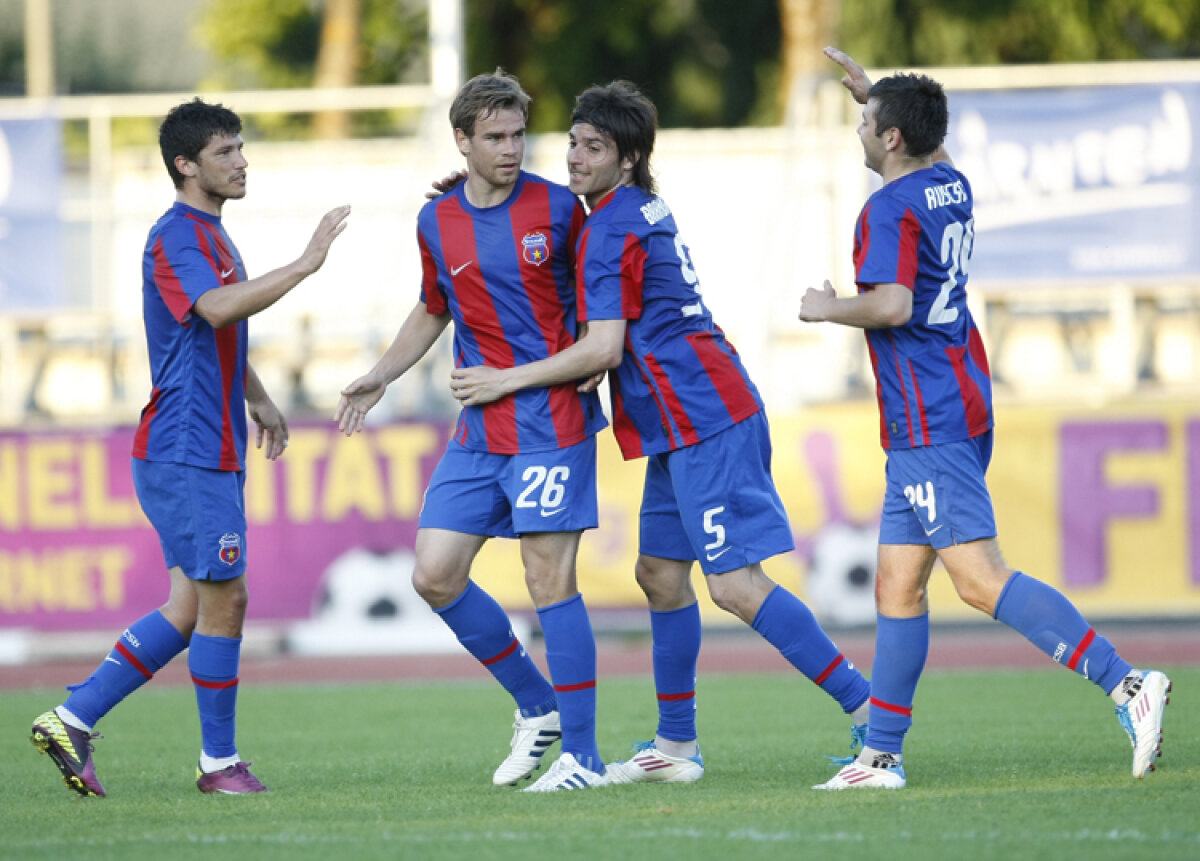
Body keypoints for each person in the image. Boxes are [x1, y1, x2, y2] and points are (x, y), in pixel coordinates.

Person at [449, 80, 871, 784]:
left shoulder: (610, 225)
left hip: (707, 415)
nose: (576, 159)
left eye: (595, 148)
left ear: (628, 156)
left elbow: (605, 346)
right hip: (677, 423)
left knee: (734, 585)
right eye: (574, 144)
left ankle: (870, 713)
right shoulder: (629, 206)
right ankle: (676, 744)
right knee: (659, 576)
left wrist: (507, 378)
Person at [798, 47, 1171, 790]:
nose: (861, 131)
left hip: (927, 413)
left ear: (891, 139)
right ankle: (881, 755)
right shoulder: (950, 183)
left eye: (868, 122)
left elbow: (893, 304)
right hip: (955, 402)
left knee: (977, 578)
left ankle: (1128, 684)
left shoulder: (888, 208)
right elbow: (928, 145)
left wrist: (826, 306)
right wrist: (882, 94)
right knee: (897, 587)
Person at [30, 98, 350, 796]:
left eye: (240, 148)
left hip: (207, 443)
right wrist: (306, 264)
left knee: (189, 606)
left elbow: (214, 331)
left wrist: (257, 395)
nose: (241, 161)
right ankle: (218, 764)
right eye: (225, 152)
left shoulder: (213, 235)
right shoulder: (176, 235)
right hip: (186, 445)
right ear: (185, 164)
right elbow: (215, 309)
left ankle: (73, 716)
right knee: (225, 597)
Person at [335, 70, 610, 792]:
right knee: (433, 573)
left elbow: (604, 302)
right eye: (495, 137)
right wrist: (382, 373)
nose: (511, 149)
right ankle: (536, 704)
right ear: (461, 140)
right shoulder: (436, 221)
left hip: (551, 422)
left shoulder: (560, 209)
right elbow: (434, 307)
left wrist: (596, 365)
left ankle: (583, 756)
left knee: (549, 579)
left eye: (519, 135)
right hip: (479, 430)